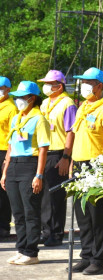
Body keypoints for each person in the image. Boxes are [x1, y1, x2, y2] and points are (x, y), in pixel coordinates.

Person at [69, 67, 103, 275]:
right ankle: (86, 255)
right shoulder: (83, 108)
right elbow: (76, 135)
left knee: (96, 215)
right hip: (80, 164)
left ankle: (97, 260)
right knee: (82, 215)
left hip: (96, 165)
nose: (84, 86)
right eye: (82, 82)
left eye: (88, 82)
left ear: (99, 86)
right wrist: (71, 160)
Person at [1, 81, 50, 265]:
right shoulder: (17, 118)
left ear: (32, 98)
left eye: (22, 97)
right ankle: (21, 249)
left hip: (30, 165)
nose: (18, 100)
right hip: (14, 165)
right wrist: (5, 171)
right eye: (17, 97)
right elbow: (10, 146)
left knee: (30, 211)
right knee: (18, 212)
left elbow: (44, 149)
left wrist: (39, 175)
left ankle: (31, 252)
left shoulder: (39, 119)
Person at [37, 70, 77, 247]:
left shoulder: (67, 104)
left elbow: (71, 132)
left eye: (49, 83)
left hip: (58, 153)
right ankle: (46, 231)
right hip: (43, 152)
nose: (45, 86)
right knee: (44, 197)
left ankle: (56, 232)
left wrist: (66, 157)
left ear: (59, 86)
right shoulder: (45, 102)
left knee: (55, 196)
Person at [0, 76, 17, 238]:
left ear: (8, 89)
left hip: (4, 150)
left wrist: (8, 156)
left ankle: (3, 226)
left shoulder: (11, 108)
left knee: (3, 190)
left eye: (1, 88)